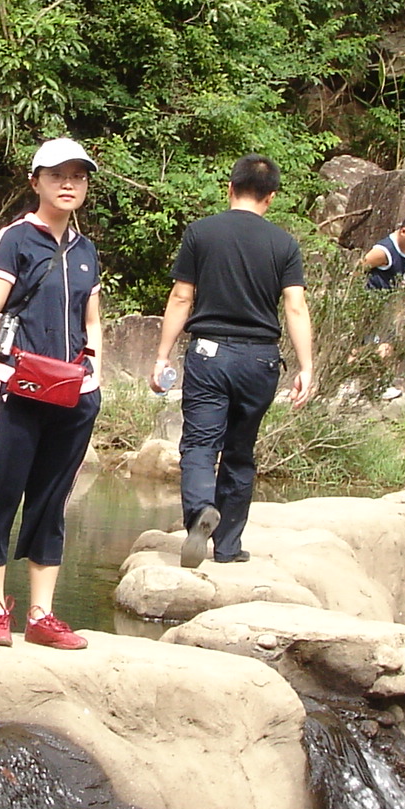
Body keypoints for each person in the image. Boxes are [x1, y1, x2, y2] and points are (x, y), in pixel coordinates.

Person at [0, 139, 106, 649]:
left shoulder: (86, 250)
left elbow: (91, 319)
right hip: (15, 388)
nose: (68, 184)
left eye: (78, 176)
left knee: (52, 502)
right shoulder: (16, 240)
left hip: (72, 394)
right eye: (56, 175)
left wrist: (96, 375)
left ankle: (42, 616)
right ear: (35, 182)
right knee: (1, 492)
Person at [149, 155, 316, 568]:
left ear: (230, 188)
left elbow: (181, 297)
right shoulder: (284, 244)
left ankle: (200, 511)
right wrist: (306, 366)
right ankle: (228, 547)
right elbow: (295, 308)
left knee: (200, 445)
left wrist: (162, 354)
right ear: (271, 198)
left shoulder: (201, 233)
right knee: (241, 452)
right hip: (260, 360)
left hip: (210, 353)